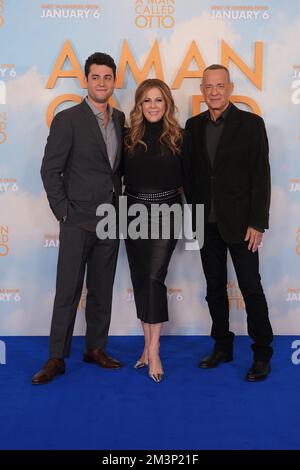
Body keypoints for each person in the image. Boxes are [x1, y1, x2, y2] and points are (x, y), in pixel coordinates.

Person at [32, 52, 125, 384]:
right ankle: (56, 357)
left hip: (110, 220)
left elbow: (117, 170)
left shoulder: (120, 119)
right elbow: (50, 169)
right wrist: (64, 212)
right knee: (67, 290)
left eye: (107, 77)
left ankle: (95, 348)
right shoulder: (68, 119)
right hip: (76, 220)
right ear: (87, 80)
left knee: (101, 289)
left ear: (114, 81)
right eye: (96, 77)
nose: (102, 83)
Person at [185, 64, 273, 382]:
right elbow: (190, 176)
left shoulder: (251, 124)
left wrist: (258, 223)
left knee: (251, 289)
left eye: (220, 85)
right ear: (202, 90)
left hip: (241, 225)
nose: (214, 92)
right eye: (208, 86)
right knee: (214, 290)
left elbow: (261, 178)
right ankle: (222, 346)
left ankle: (262, 353)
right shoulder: (192, 126)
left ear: (231, 88)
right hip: (205, 224)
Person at [124, 78, 191, 382]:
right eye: (147, 100)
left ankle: (154, 350)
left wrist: (198, 225)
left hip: (167, 211)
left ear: (167, 104)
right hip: (132, 212)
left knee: (154, 278)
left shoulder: (180, 137)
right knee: (141, 280)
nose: (152, 106)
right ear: (139, 105)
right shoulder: (127, 137)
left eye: (158, 100)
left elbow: (194, 182)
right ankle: (146, 348)